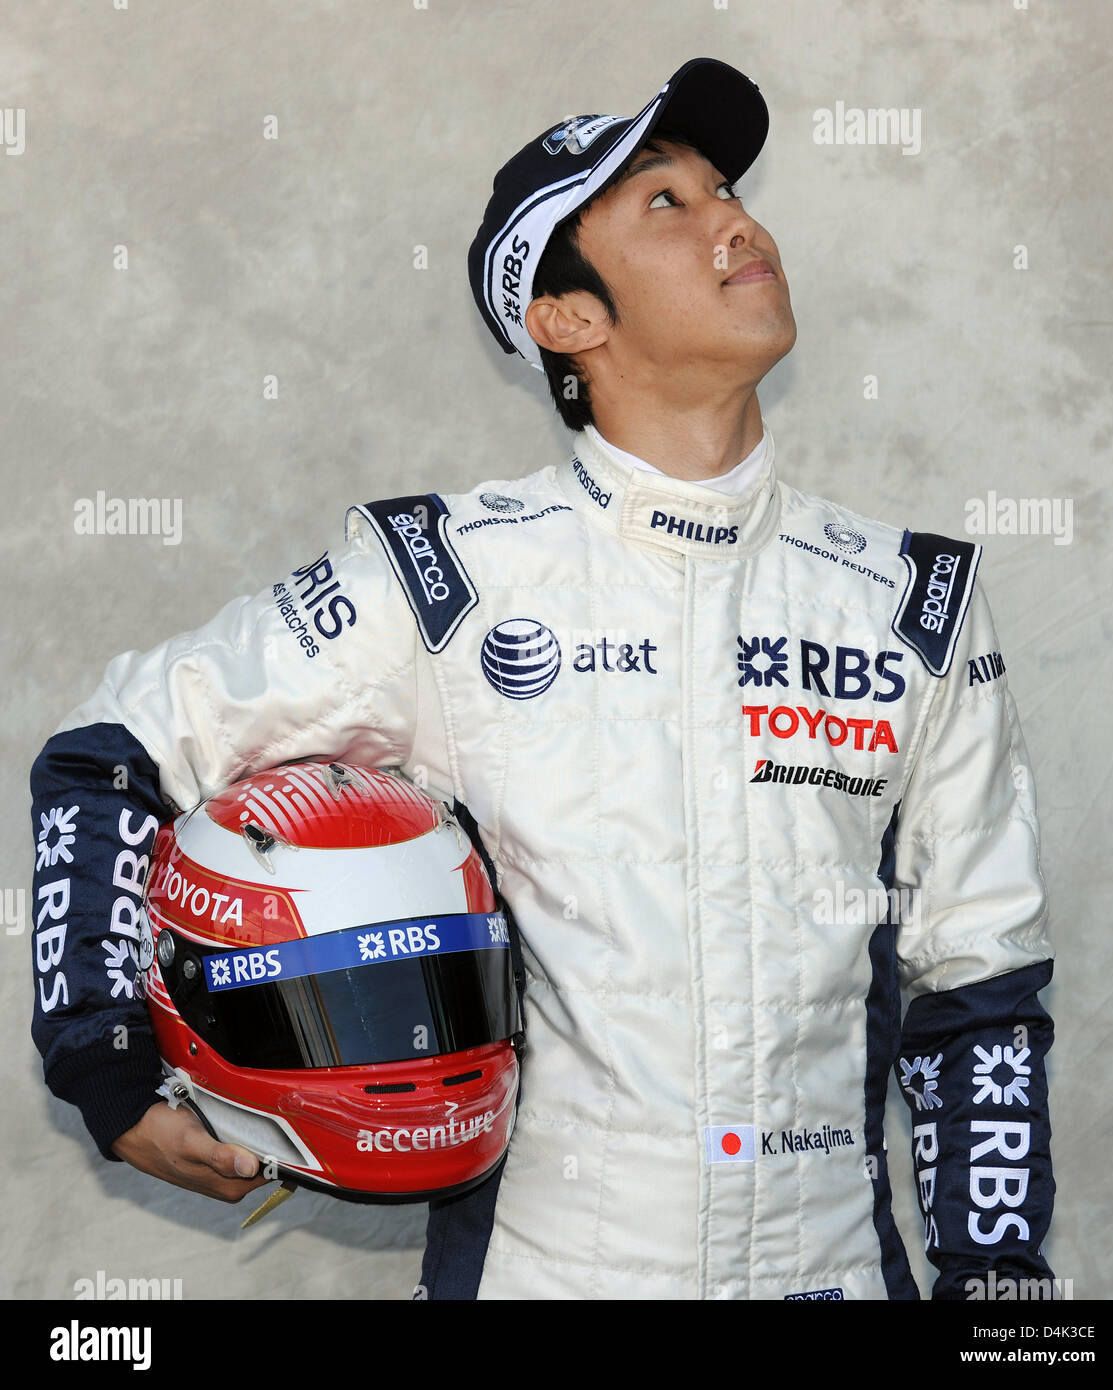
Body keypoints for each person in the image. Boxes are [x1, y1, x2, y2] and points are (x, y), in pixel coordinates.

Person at [29, 58, 1055, 1300]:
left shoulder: (911, 603)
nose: (734, 217)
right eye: (663, 205)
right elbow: (108, 749)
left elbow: (978, 988)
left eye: (724, 185)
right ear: (567, 319)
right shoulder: (439, 580)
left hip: (830, 1273)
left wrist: (994, 1290)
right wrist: (104, 1059)